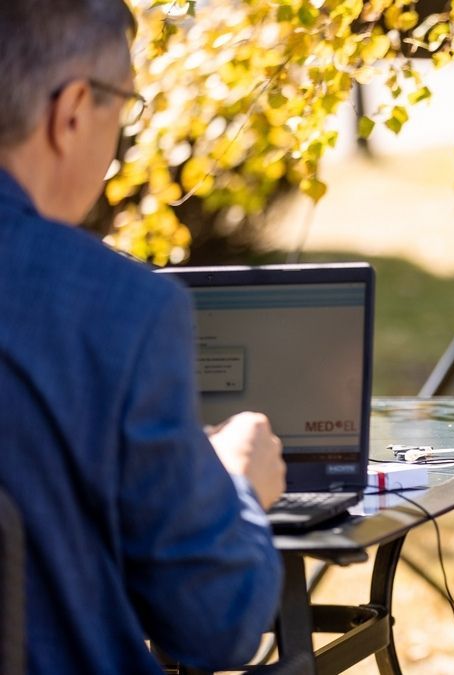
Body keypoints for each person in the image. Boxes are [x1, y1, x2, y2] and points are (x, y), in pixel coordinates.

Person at [0, 1, 286, 673]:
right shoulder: (118, 309)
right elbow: (214, 625)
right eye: (121, 108)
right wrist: (236, 483)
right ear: (72, 111)